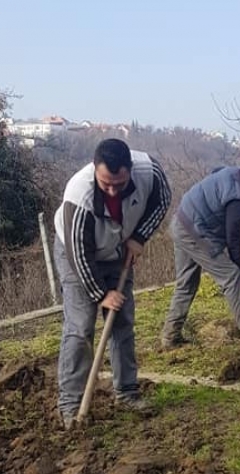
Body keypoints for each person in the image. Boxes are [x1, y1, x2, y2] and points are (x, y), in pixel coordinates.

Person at [54, 138, 171, 429]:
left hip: (119, 248)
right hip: (78, 255)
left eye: (119, 184)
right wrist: (100, 294)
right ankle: (70, 404)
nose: (112, 190)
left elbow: (162, 201)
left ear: (130, 170)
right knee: (80, 328)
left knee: (122, 323)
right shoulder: (78, 197)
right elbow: (79, 255)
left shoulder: (149, 173)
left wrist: (139, 237)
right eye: (106, 183)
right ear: (95, 169)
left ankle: (127, 392)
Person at [159, 161, 240, 348]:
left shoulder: (238, 174)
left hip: (181, 220)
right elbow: (233, 237)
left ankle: (170, 337)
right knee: (231, 276)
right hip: (194, 229)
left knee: (187, 282)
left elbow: (214, 173)